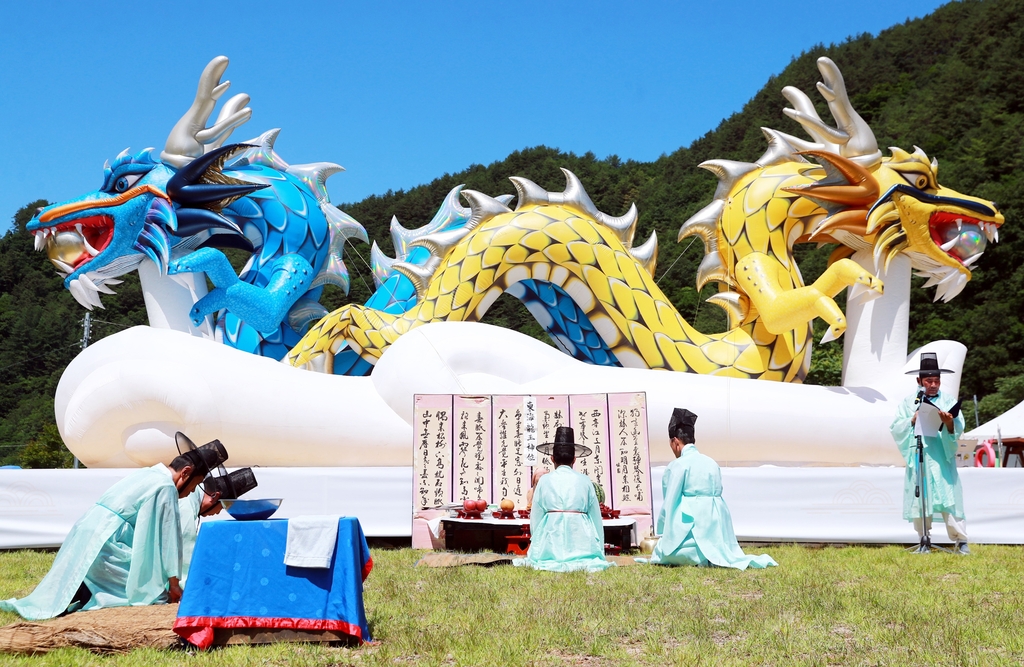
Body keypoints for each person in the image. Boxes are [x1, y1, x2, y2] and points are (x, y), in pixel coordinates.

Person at [0, 434, 228, 620]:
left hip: (87, 530)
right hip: (105, 544)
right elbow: (164, 539)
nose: (190, 493)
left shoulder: (149, 473)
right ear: (185, 473)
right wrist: (173, 584)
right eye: (195, 484)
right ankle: (90, 592)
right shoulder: (164, 487)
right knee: (150, 592)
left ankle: (83, 590)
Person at [648, 408, 777, 569]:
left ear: (675, 442)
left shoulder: (677, 466)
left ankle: (696, 555)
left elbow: (671, 502)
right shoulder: (711, 463)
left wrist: (662, 528)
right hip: (716, 531)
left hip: (691, 529)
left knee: (661, 552)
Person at [890, 352, 968, 553]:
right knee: (921, 498)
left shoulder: (948, 400)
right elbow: (895, 427)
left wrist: (950, 423)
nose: (933, 385)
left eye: (936, 381)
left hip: (941, 457)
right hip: (919, 456)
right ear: (919, 381)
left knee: (949, 498)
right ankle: (923, 539)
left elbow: (958, 427)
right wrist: (912, 419)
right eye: (929, 381)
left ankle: (961, 541)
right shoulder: (909, 403)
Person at [513, 426, 612, 572]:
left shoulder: (544, 481)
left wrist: (537, 545)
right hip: (581, 541)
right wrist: (599, 549)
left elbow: (536, 517)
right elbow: (595, 518)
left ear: (552, 458)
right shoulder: (585, 481)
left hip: (549, 544)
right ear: (574, 459)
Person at [179, 467, 258, 586]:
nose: (217, 512)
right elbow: (184, 553)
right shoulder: (187, 507)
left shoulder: (191, 499)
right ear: (215, 496)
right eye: (222, 506)